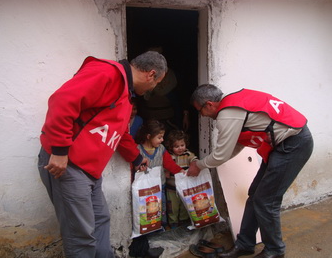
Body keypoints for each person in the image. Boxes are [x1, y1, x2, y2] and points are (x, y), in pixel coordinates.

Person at [37, 51, 167, 258]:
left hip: (89, 171)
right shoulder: (109, 74)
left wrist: (135, 157)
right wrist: (60, 151)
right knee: (81, 234)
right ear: (151, 74)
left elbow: (120, 133)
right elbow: (62, 101)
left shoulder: (125, 94)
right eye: (157, 83)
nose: (153, 88)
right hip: (68, 165)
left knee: (100, 221)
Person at [188, 85, 313, 258]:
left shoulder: (227, 113)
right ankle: (245, 244)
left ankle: (275, 251)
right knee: (255, 195)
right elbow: (236, 145)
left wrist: (199, 164)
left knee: (266, 201)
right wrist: (215, 160)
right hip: (283, 145)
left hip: (294, 145)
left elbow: (222, 154)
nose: (202, 115)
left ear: (209, 104)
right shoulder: (235, 103)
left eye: (200, 110)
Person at [134, 120, 184, 228]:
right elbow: (133, 168)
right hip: (144, 189)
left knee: (161, 207)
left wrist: (180, 171)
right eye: (159, 137)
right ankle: (149, 228)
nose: (162, 140)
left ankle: (162, 226)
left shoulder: (161, 149)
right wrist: (138, 168)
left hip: (160, 186)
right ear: (148, 136)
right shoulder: (137, 150)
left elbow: (169, 164)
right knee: (147, 210)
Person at [165, 130, 197, 229]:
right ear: (171, 147)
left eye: (182, 145)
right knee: (172, 207)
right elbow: (165, 166)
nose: (180, 148)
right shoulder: (169, 156)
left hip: (184, 187)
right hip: (172, 187)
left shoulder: (187, 154)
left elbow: (194, 159)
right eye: (176, 146)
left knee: (184, 204)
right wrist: (165, 171)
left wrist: (194, 163)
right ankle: (173, 222)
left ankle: (183, 220)